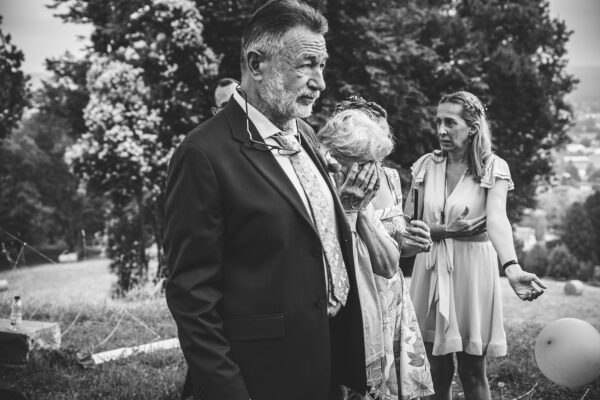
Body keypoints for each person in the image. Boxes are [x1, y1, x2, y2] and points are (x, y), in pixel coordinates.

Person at [163, 1, 368, 399]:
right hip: (261, 376)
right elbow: (192, 297)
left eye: (322, 65)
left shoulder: (304, 134)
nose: (320, 82)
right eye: (306, 64)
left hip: (325, 363)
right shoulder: (202, 154)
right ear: (257, 64)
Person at [405, 91, 547, 400]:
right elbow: (406, 224)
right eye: (438, 122)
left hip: (473, 272)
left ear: (472, 128)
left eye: (450, 123)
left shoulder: (492, 167)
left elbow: (497, 219)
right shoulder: (424, 167)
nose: (441, 130)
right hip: (429, 270)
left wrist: (512, 267)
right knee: (433, 371)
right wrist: (441, 230)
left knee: (472, 371)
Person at [318, 100, 435, 400]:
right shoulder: (320, 187)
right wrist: (349, 208)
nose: (376, 171)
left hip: (381, 300)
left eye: (378, 162)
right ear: (339, 159)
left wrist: (359, 211)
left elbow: (388, 262)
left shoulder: (363, 189)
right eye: (368, 161)